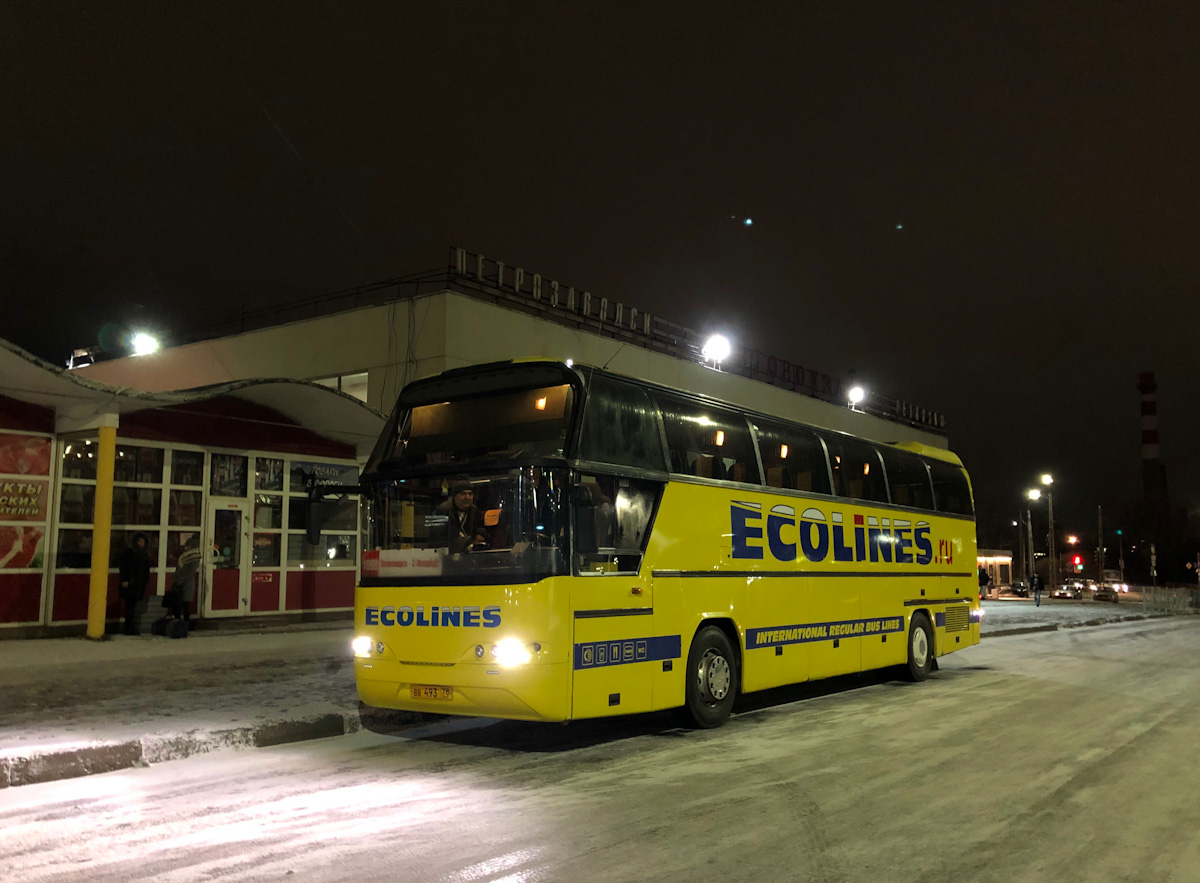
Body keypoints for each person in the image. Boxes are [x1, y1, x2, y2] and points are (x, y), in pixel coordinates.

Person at [437, 478, 488, 554]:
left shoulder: (475, 511)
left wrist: (480, 534)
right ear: (454, 496)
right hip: (448, 556)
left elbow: (480, 527)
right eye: (463, 494)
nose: (467, 497)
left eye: (470, 494)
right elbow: (437, 537)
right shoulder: (443, 511)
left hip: (468, 556)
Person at [117, 532, 151, 636]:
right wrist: (124, 579)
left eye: (143, 542)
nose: (142, 543)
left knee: (133, 606)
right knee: (130, 606)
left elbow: (145, 570)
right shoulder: (129, 553)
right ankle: (128, 628)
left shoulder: (144, 555)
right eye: (140, 541)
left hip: (138, 585)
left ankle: (130, 627)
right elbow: (124, 567)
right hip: (131, 584)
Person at [166, 536, 202, 628]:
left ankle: (184, 624)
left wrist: (179, 581)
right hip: (180, 584)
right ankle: (180, 623)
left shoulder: (192, 558)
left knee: (184, 605)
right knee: (178, 604)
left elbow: (189, 572)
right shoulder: (185, 557)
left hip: (186, 584)